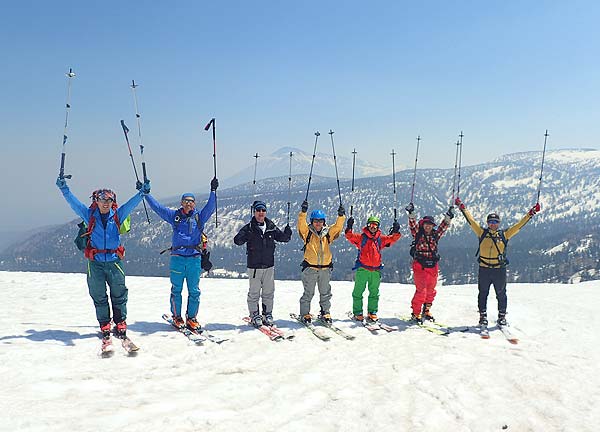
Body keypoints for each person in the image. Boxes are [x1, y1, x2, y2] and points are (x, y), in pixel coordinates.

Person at [56, 176, 150, 339]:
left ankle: (120, 321)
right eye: (101, 199)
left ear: (112, 202)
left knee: (119, 293)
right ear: (96, 201)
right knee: (98, 294)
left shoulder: (118, 215)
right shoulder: (89, 215)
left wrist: (143, 193)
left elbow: (131, 204)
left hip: (114, 261)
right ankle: (104, 322)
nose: (105, 203)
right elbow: (74, 203)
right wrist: (64, 189)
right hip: (96, 263)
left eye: (108, 200)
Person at [144, 177, 218, 330]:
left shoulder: (199, 217)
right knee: (176, 289)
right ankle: (177, 316)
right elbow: (158, 208)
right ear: (181, 203)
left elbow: (211, 207)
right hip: (178, 258)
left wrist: (213, 191)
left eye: (191, 201)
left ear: (195, 204)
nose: (188, 204)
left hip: (194, 259)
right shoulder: (175, 217)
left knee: (194, 291)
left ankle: (191, 318)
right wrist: (146, 195)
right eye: (186, 201)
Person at [455, 197, 540, 326]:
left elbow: (519, 226)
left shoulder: (504, 235)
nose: (493, 224)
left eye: (495, 221)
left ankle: (502, 316)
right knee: (483, 293)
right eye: (491, 222)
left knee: (501, 294)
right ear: (488, 223)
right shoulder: (481, 232)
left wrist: (530, 214)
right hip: (484, 269)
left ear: (499, 223)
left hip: (498, 269)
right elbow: (471, 221)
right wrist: (462, 207)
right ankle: (482, 316)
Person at [233, 200, 292, 327]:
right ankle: (254, 314)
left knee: (269, 292)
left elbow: (283, 238)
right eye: (258, 210)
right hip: (254, 266)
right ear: (254, 212)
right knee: (254, 292)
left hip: (269, 265)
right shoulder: (249, 228)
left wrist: (287, 233)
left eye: (263, 210)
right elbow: (237, 241)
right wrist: (245, 236)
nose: (261, 213)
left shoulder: (270, 227)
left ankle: (267, 314)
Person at [345, 215, 401, 323]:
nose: (373, 227)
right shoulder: (362, 238)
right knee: (358, 291)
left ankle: (372, 312)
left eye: (375, 225)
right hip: (363, 269)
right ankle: (358, 312)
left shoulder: (380, 239)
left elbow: (393, 239)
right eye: (371, 224)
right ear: (367, 225)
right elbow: (349, 236)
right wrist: (349, 226)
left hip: (375, 271)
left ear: (378, 227)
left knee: (374, 293)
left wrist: (396, 230)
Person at [297, 200, 346, 323]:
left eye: (320, 221)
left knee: (325, 293)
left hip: (325, 268)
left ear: (323, 222)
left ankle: (325, 312)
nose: (318, 223)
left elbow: (337, 227)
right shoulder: (307, 233)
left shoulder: (327, 233)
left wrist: (341, 216)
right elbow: (301, 225)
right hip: (310, 268)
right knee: (308, 293)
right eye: (315, 221)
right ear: (312, 221)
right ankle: (305, 314)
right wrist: (303, 212)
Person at [406, 203, 454, 323]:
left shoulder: (435, 235)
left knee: (431, 290)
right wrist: (411, 214)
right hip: (420, 265)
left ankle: (426, 310)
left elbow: (444, 226)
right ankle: (416, 313)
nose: (428, 227)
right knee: (421, 290)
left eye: (431, 225)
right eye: (427, 224)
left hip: (432, 265)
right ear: (423, 224)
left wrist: (449, 216)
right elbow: (412, 226)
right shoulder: (418, 234)